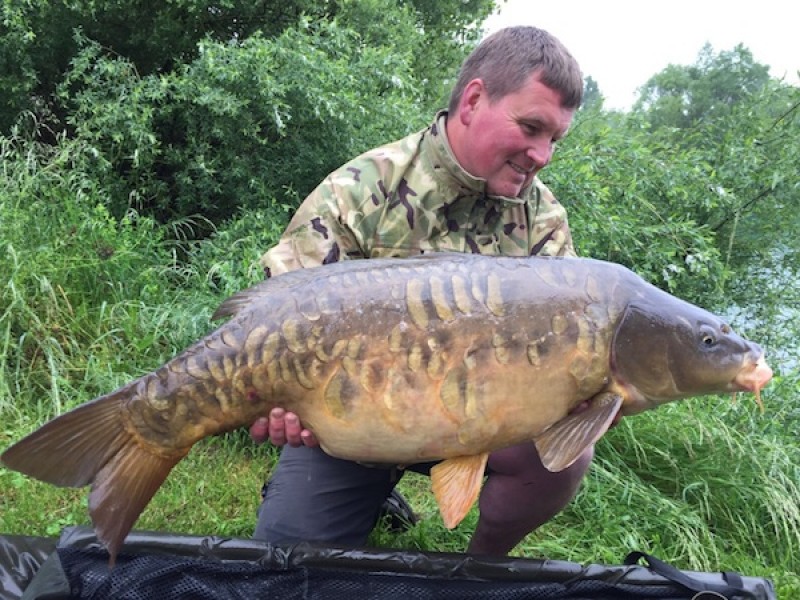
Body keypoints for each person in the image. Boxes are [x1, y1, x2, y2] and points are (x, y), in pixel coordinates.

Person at [250, 25, 591, 556]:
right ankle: (364, 488)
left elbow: (574, 347)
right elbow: (275, 316)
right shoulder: (362, 191)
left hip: (483, 422)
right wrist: (277, 399)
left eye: (554, 139)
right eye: (531, 127)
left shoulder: (543, 221)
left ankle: (481, 570)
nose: (542, 154)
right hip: (353, 425)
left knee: (565, 455)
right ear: (475, 99)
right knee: (289, 562)